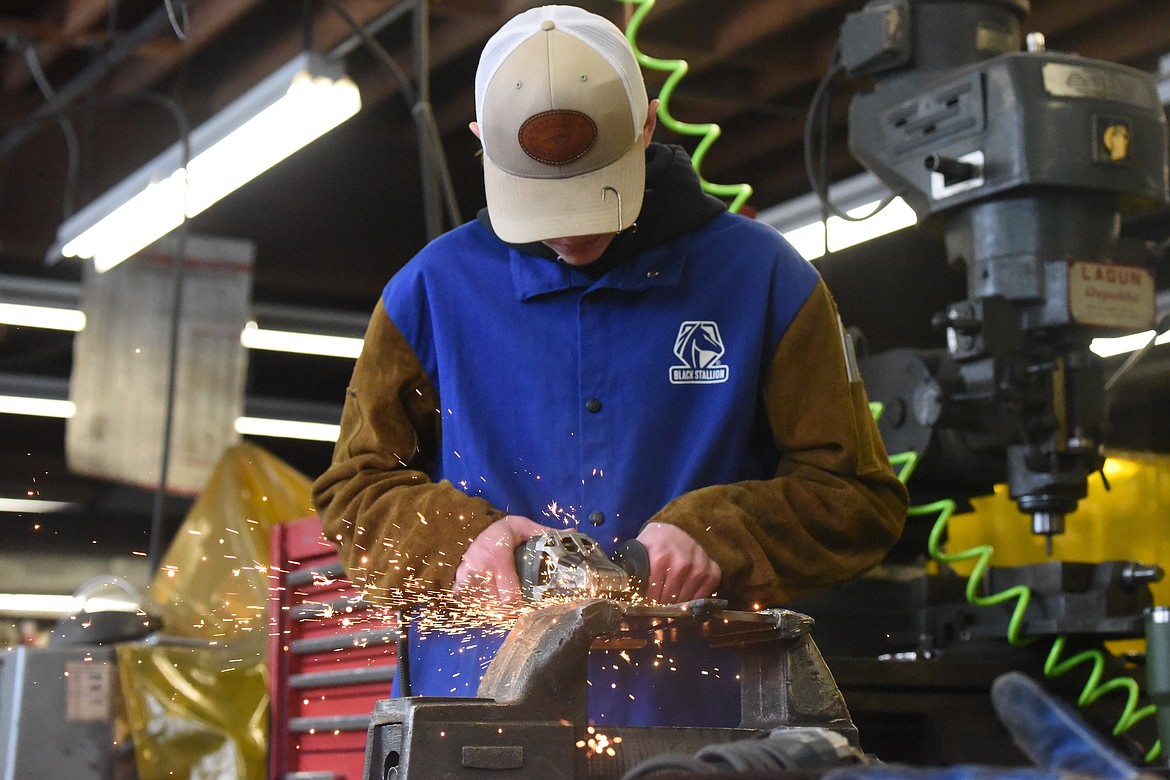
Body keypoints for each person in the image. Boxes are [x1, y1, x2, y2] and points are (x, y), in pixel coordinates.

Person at [312, 4, 908, 728]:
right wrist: (463, 539)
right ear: (479, 143)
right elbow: (355, 493)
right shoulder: (428, 294)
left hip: (700, 722)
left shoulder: (766, 281)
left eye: (593, 192)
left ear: (647, 126)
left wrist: (718, 534)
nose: (569, 230)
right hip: (480, 721)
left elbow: (857, 498)